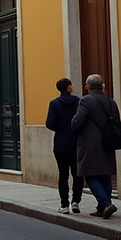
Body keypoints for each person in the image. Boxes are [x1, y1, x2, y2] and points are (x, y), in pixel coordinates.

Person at [71, 74, 120, 219]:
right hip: (108, 142)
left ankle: (105, 204)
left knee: (89, 174)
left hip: (90, 142)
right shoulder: (111, 102)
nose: (85, 86)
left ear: (89, 86)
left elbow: (77, 121)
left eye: (86, 84)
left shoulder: (86, 100)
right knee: (105, 173)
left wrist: (73, 124)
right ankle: (102, 207)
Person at [45, 78, 82, 214]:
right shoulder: (78, 101)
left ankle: (64, 205)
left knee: (63, 175)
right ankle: (76, 201)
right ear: (68, 87)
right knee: (77, 174)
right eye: (71, 84)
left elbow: (49, 123)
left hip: (60, 143)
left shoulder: (54, 103)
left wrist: (59, 128)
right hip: (75, 143)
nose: (72, 86)